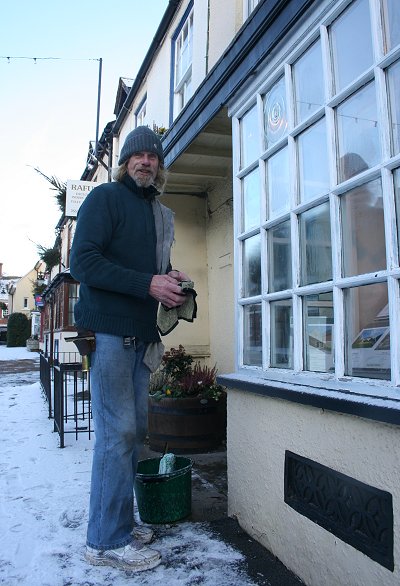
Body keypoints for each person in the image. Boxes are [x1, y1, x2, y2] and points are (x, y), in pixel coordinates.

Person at [69, 126, 190, 572]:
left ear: (159, 166)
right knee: (115, 436)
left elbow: (151, 273)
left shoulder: (156, 212)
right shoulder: (104, 200)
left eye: (153, 156)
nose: (145, 161)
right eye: (137, 155)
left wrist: (169, 278)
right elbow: (82, 261)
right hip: (109, 336)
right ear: (125, 162)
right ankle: (105, 541)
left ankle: (118, 519)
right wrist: (147, 283)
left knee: (134, 432)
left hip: (143, 338)